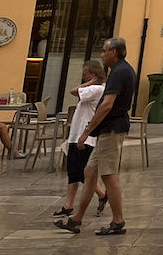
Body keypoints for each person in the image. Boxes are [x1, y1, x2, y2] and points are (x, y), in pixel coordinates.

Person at [55, 36, 135, 237]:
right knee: (89, 171)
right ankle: (76, 219)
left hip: (112, 129)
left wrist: (86, 132)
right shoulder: (122, 70)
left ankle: (118, 221)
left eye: (104, 51)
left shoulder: (119, 72)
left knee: (108, 175)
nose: (102, 55)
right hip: (108, 129)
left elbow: (107, 105)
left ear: (113, 52)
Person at [55, 62, 107, 219]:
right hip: (76, 133)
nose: (83, 77)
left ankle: (102, 193)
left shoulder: (96, 89)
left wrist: (89, 83)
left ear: (93, 74)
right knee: (72, 171)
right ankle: (68, 205)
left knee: (81, 171)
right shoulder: (94, 89)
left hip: (85, 136)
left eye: (86, 74)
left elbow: (74, 91)